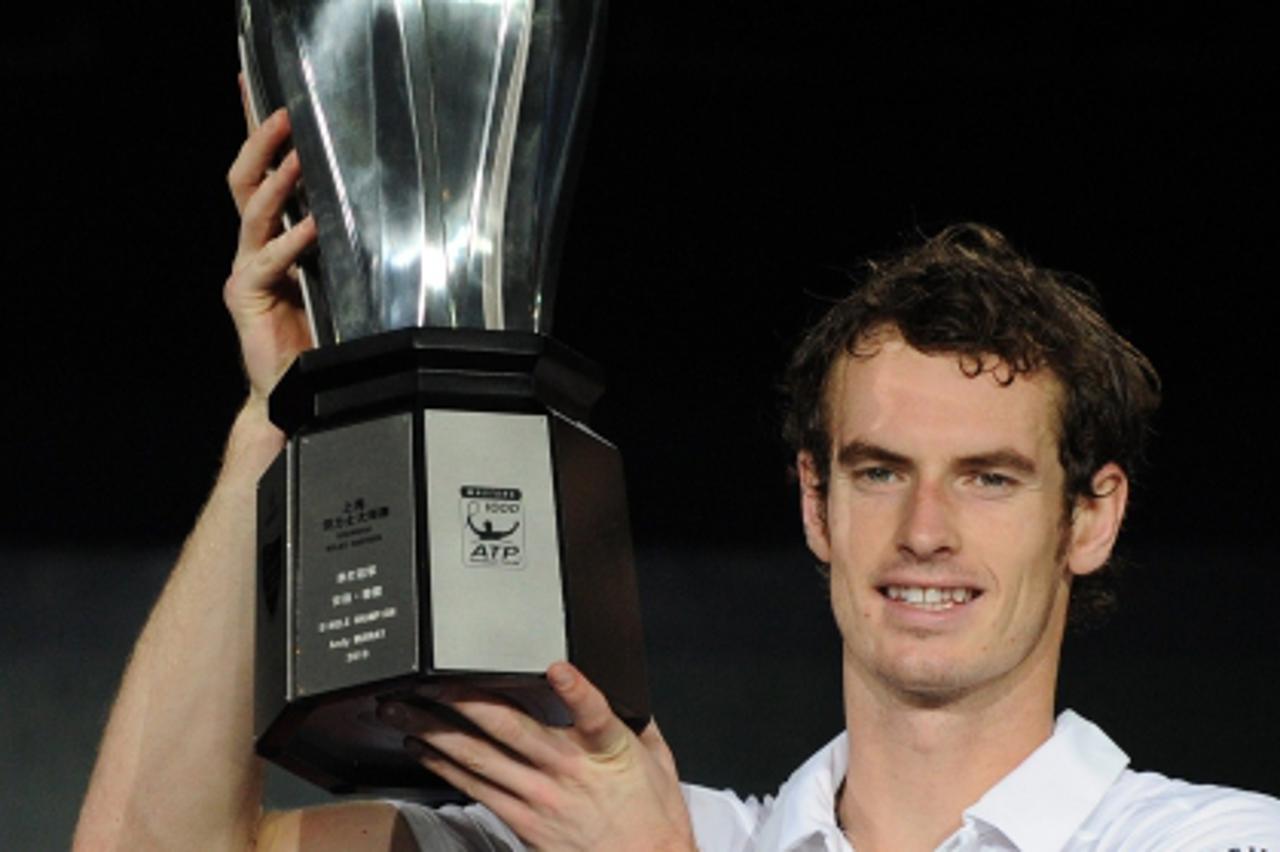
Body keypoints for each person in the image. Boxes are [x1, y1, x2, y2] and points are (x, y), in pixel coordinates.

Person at [74, 108, 1280, 851]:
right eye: (877, 471)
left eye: (989, 479)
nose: (923, 529)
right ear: (814, 504)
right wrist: (282, 422)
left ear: (1092, 516)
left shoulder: (1208, 840)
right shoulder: (667, 834)